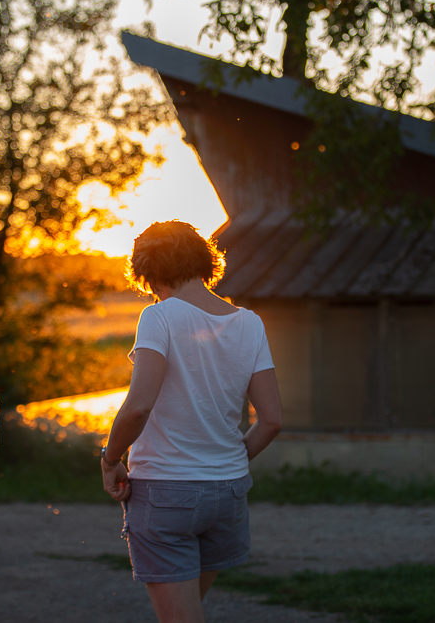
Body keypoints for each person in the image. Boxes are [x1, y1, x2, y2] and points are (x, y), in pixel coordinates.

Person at [101, 220, 283, 623]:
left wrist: (110, 458)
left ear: (149, 273)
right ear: (204, 263)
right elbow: (271, 420)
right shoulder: (250, 322)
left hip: (166, 491)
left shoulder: (159, 316)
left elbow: (137, 407)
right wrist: (228, 461)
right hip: (228, 493)